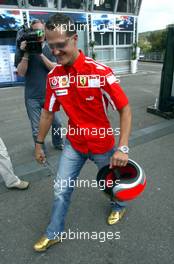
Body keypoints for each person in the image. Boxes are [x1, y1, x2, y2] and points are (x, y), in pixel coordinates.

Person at [33, 13, 132, 252]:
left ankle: (119, 206)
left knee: (110, 184)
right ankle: (54, 232)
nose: (55, 52)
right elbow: (47, 113)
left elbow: (125, 109)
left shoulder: (100, 72)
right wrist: (39, 143)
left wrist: (123, 146)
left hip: (103, 146)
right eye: (50, 46)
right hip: (74, 145)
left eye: (60, 45)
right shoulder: (54, 78)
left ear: (75, 39)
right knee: (61, 188)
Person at [15, 19, 64, 150]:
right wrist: (25, 54)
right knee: (36, 128)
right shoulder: (23, 49)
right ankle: (40, 150)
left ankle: (58, 143)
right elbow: (20, 73)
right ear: (31, 32)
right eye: (36, 31)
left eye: (42, 31)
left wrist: (40, 53)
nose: (40, 33)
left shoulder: (50, 47)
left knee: (57, 124)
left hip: (49, 95)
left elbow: (55, 68)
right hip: (32, 97)